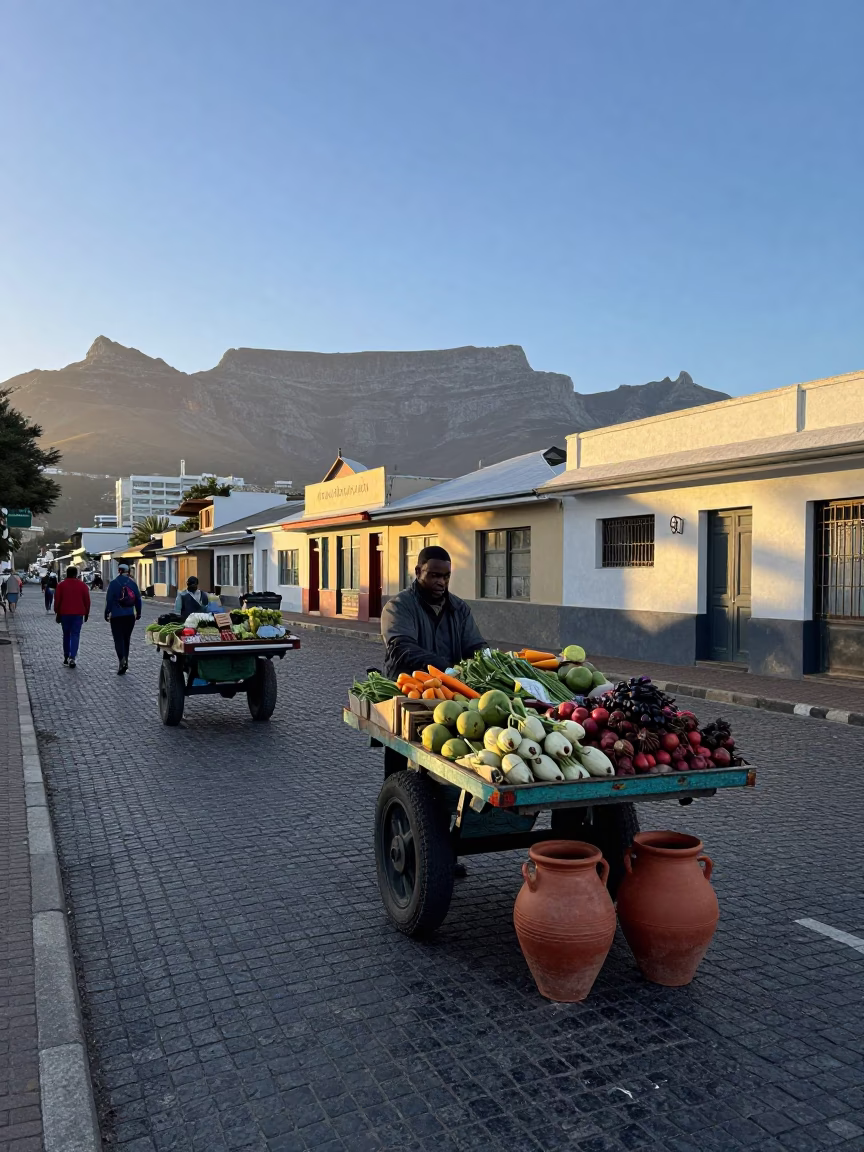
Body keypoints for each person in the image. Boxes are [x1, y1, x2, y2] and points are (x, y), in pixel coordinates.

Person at [381, 545, 487, 679]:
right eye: (434, 576)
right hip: (408, 687)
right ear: (418, 572)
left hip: (450, 687)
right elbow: (402, 648)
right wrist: (445, 667)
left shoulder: (460, 608)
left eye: (446, 576)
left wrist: (491, 661)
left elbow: (475, 646)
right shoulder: (398, 606)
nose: (442, 582)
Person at [105, 562, 142, 674]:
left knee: (118, 639)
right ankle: (126, 659)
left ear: (119, 570)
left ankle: (122, 659)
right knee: (126, 639)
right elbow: (138, 599)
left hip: (116, 616)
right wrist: (138, 612)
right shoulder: (132, 583)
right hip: (129, 615)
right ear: (128, 571)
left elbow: (109, 600)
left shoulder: (113, 583)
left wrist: (107, 612)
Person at [54, 566, 91, 668]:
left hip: (64, 613)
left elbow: (57, 600)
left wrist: (57, 612)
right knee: (75, 635)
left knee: (66, 635)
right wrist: (86, 613)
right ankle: (72, 657)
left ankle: (66, 656)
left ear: (67, 573)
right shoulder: (82, 585)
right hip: (78, 614)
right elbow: (87, 600)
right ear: (76, 574)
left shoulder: (61, 585)